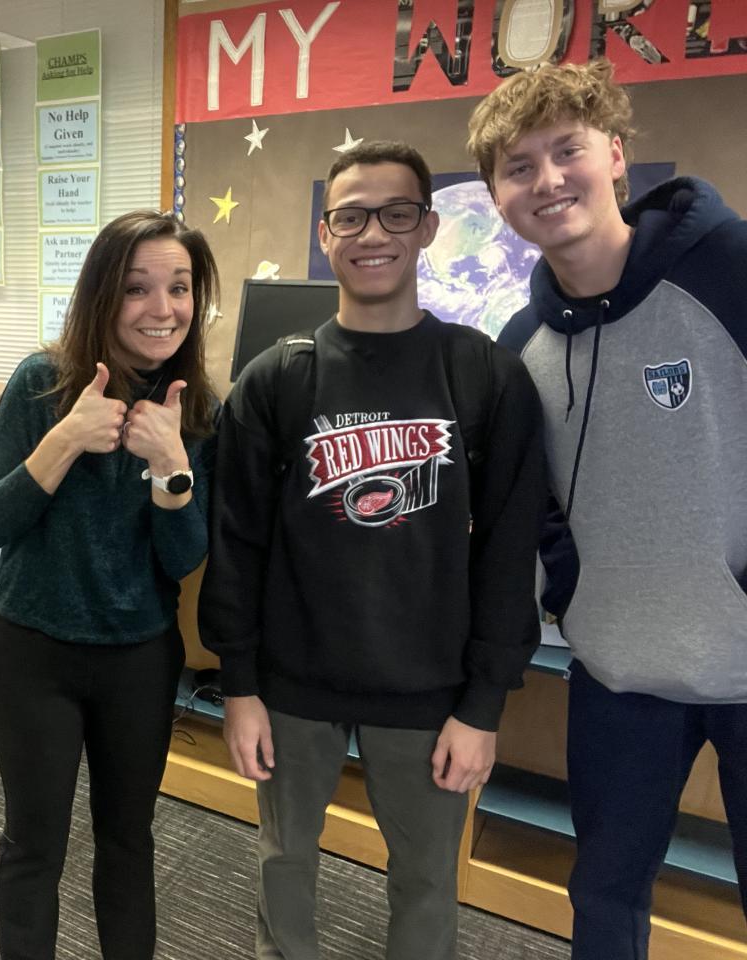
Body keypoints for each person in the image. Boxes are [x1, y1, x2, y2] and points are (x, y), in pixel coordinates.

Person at [200, 140, 544, 960]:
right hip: (293, 684)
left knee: (426, 880)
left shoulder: (484, 375)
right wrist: (239, 686)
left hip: (431, 689)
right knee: (284, 862)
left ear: (427, 227)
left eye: (395, 213)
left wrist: (483, 706)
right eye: (351, 217)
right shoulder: (277, 379)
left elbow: (509, 552)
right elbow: (237, 544)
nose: (373, 234)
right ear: (326, 234)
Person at [468, 60, 747, 958]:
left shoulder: (730, 271)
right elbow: (534, 500)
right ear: (498, 197)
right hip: (620, 677)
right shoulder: (523, 343)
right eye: (519, 167)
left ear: (617, 154)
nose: (547, 180)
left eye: (568, 151)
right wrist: (572, 583)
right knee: (603, 897)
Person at [0, 210, 219, 960]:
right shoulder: (40, 382)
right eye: (137, 288)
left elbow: (184, 560)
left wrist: (170, 466)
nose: (162, 308)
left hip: (139, 659)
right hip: (35, 654)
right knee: (33, 845)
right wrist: (65, 439)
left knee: (127, 841)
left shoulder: (195, 404)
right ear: (102, 295)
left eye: (179, 287)